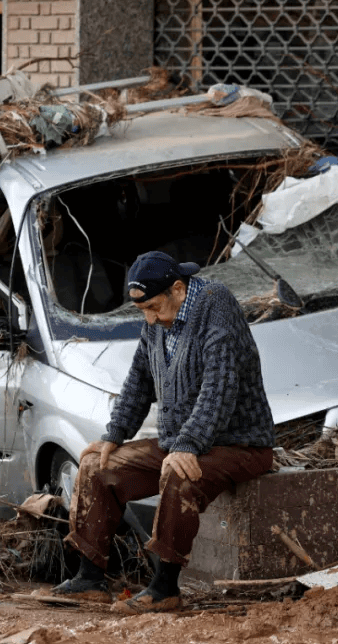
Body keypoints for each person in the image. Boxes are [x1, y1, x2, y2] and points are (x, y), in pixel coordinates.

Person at [52, 250, 276, 614]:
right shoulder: (157, 322)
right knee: (97, 465)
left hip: (240, 444)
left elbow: (220, 385)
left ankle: (165, 587)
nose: (150, 318)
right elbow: (139, 379)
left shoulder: (215, 305)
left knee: (178, 471)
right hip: (182, 442)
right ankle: (89, 580)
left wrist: (189, 443)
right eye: (143, 311)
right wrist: (115, 434)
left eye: (154, 307)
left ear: (178, 289)